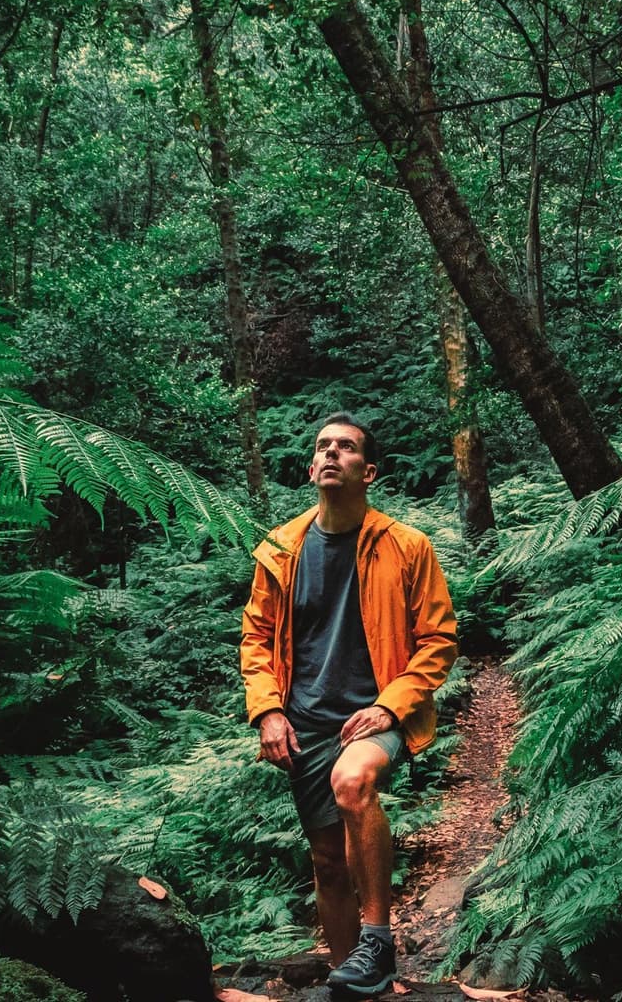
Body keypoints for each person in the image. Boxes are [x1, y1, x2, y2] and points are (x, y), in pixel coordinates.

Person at [239, 412, 459, 997]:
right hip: (305, 721)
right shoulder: (280, 550)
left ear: (370, 471)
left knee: (353, 782)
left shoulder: (407, 547)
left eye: (347, 447)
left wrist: (392, 706)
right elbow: (257, 638)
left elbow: (438, 639)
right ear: (312, 467)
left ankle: (379, 938)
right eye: (324, 447)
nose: (333, 453)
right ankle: (354, 982)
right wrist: (268, 711)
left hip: (375, 711)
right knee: (329, 863)